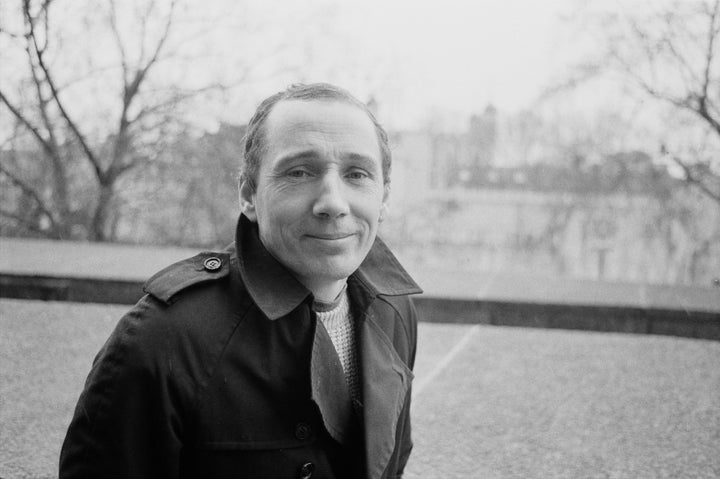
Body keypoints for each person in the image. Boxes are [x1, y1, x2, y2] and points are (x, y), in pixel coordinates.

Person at [59, 83, 422, 479]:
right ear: (249, 194)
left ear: (383, 197)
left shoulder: (394, 309)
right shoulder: (163, 339)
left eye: (357, 174)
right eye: (299, 172)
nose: (333, 203)